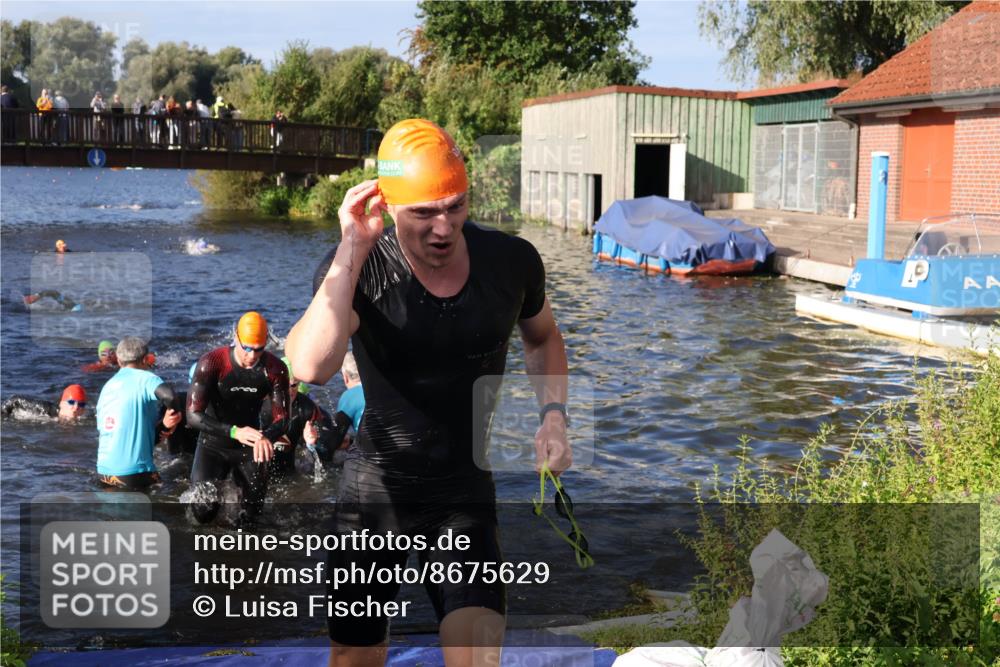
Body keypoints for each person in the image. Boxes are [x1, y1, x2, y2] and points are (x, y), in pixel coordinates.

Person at [286, 118, 569, 665]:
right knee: (355, 656)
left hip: (463, 494)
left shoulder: (510, 263)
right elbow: (310, 365)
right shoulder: (359, 269)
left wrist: (553, 416)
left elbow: (544, 336)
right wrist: (351, 246)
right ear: (388, 204)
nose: (443, 228)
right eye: (424, 212)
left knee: (478, 655)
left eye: (455, 207)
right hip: (376, 495)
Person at [186, 311, 289, 527]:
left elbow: (283, 419)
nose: (252, 356)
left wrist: (266, 437)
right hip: (212, 444)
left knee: (250, 519)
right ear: (236, 338)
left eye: (259, 349)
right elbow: (193, 416)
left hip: (250, 446)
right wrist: (234, 431)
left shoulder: (275, 369)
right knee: (203, 513)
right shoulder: (212, 363)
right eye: (247, 348)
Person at [96, 337, 180, 490]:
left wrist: (163, 425)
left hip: (104, 473)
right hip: (136, 473)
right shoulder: (146, 378)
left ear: (119, 361)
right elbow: (170, 396)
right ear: (145, 359)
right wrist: (172, 417)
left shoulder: (106, 388)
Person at [262, 356, 336, 479]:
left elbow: (327, 449)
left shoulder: (306, 408)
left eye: (293, 385)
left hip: (288, 472)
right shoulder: (260, 404)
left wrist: (313, 443)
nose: (288, 390)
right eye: (283, 385)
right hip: (258, 471)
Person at [2, 384, 89, 423]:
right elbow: (15, 400)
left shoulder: (83, 419)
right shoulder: (44, 410)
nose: (76, 407)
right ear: (62, 404)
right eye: (71, 402)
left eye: (81, 404)